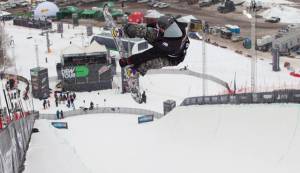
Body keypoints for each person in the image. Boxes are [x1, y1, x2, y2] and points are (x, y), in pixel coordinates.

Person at [119, 15, 190, 76]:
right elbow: (157, 24)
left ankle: (135, 71)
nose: (158, 28)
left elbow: (148, 54)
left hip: (171, 58)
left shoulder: (170, 46)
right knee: (145, 31)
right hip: (165, 38)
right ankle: (124, 31)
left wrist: (128, 61)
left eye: (160, 28)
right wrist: (146, 28)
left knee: (151, 62)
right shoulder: (175, 25)